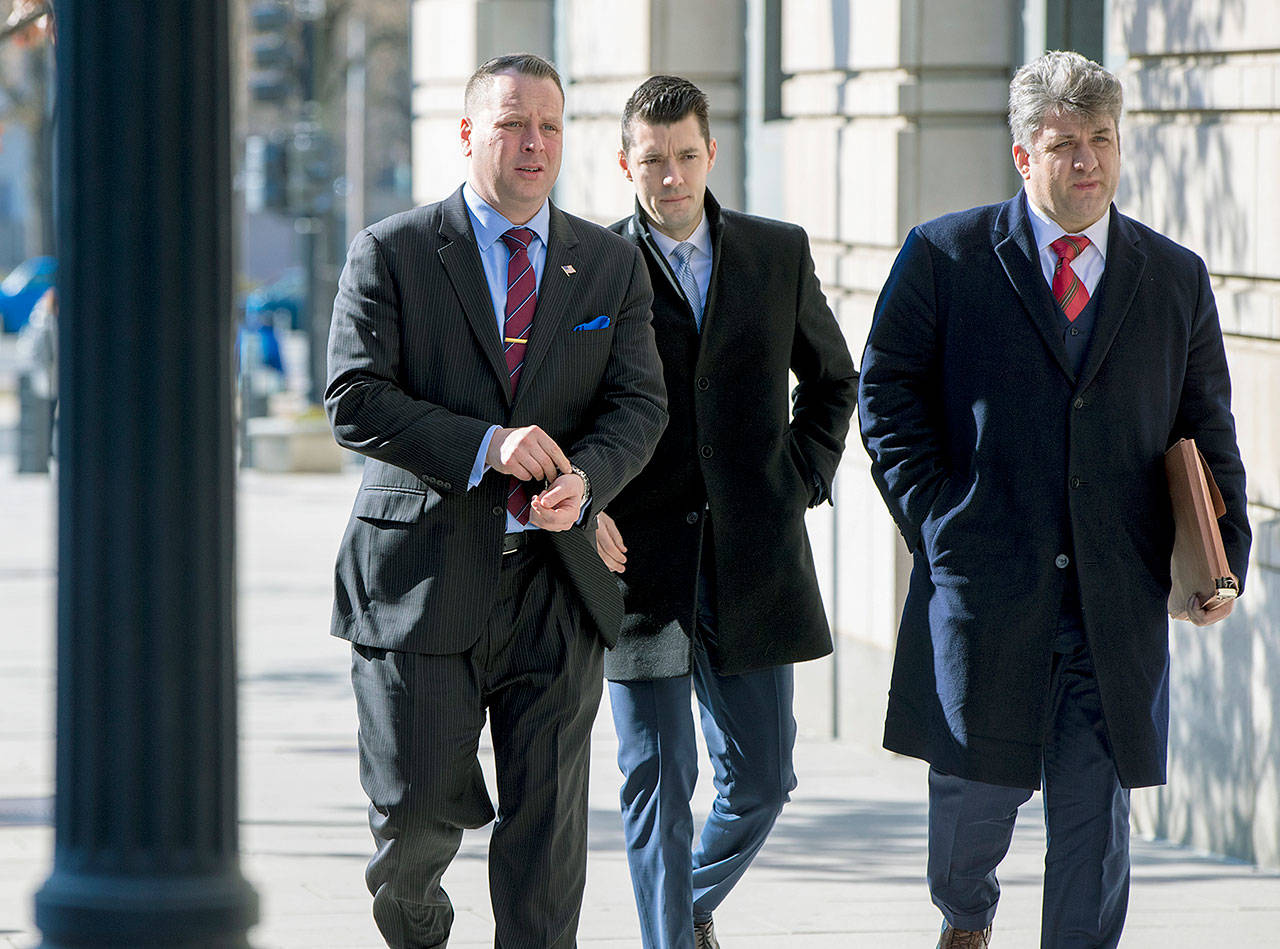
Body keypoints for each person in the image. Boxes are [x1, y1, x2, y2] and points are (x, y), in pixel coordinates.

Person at [858, 50, 1249, 948]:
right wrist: (938, 522)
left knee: (1092, 821)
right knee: (972, 806)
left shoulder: (1174, 275)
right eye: (1065, 144)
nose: (1088, 163)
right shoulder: (944, 255)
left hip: (1114, 594)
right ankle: (965, 916)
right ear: (1021, 151)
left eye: (1102, 141)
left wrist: (1221, 555)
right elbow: (886, 398)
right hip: (987, 585)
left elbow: (1207, 429)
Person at [325, 53, 667, 949]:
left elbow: (640, 404)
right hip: (419, 584)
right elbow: (354, 398)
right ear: (470, 132)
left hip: (555, 584)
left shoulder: (607, 265)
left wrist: (585, 480)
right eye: (514, 123)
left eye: (551, 125)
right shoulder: (393, 251)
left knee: (548, 839)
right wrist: (489, 446)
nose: (535, 143)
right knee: (415, 827)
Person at [596, 75, 858, 949]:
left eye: (684, 156)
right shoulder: (592, 263)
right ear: (626, 164)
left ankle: (684, 906)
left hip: (754, 555)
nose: (670, 176)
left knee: (762, 778)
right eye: (652, 160)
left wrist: (802, 479)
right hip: (638, 566)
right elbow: (562, 405)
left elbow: (832, 380)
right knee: (657, 783)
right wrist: (584, 499)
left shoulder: (775, 252)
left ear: (711, 153)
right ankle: (669, 938)